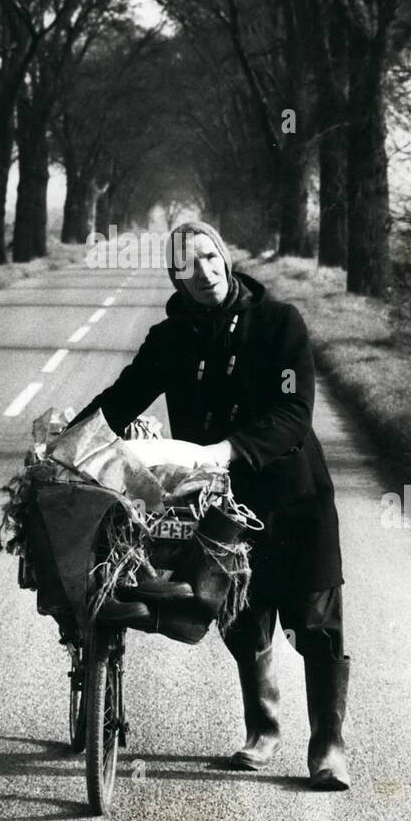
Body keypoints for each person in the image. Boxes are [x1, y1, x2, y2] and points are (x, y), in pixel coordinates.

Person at [68, 220, 350, 790]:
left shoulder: (279, 324)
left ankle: (327, 745)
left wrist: (227, 449)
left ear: (225, 256)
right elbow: (123, 399)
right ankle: (264, 729)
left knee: (317, 621)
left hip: (294, 496)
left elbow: (294, 414)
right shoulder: (170, 339)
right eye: (186, 264)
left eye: (209, 256)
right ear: (174, 276)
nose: (202, 272)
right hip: (220, 506)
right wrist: (69, 446)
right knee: (241, 615)